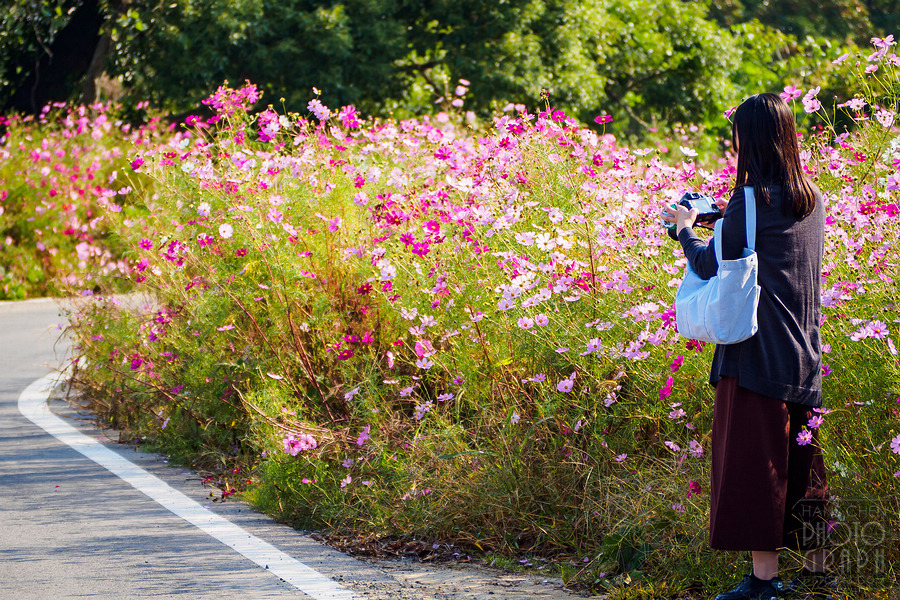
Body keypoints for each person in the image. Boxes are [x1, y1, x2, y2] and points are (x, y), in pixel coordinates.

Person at [661, 93, 831, 600]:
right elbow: (769, 247)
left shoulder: (749, 201)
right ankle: (819, 574)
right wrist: (723, 223)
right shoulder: (813, 198)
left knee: (759, 466)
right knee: (805, 465)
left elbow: (714, 264)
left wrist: (685, 231)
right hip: (803, 352)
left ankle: (764, 583)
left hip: (757, 353)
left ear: (748, 140)